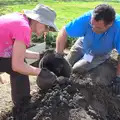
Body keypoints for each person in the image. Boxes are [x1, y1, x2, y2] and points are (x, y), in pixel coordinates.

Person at [0, 4, 58, 109]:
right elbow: (17, 65)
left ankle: (22, 102)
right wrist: (40, 72)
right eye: (47, 27)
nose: (46, 31)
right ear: (39, 21)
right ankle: (22, 105)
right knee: (20, 70)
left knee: (21, 66)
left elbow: (14, 51)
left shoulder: (20, 19)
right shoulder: (23, 28)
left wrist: (39, 56)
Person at [56, 4, 120, 95]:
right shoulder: (87, 17)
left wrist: (118, 77)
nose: (93, 28)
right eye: (91, 24)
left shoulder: (118, 28)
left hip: (95, 54)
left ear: (110, 24)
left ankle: (70, 86)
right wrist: (58, 55)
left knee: (77, 68)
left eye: (98, 27)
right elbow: (63, 32)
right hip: (82, 43)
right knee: (65, 65)